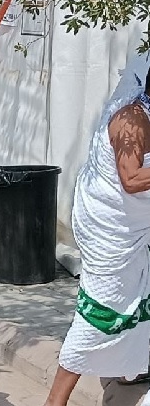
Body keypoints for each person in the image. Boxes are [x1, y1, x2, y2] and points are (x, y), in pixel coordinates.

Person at [43, 59, 150, 406]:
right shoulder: (133, 119)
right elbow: (131, 179)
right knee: (101, 312)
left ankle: (129, 368)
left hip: (134, 231)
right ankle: (56, 400)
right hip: (112, 234)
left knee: (136, 301)